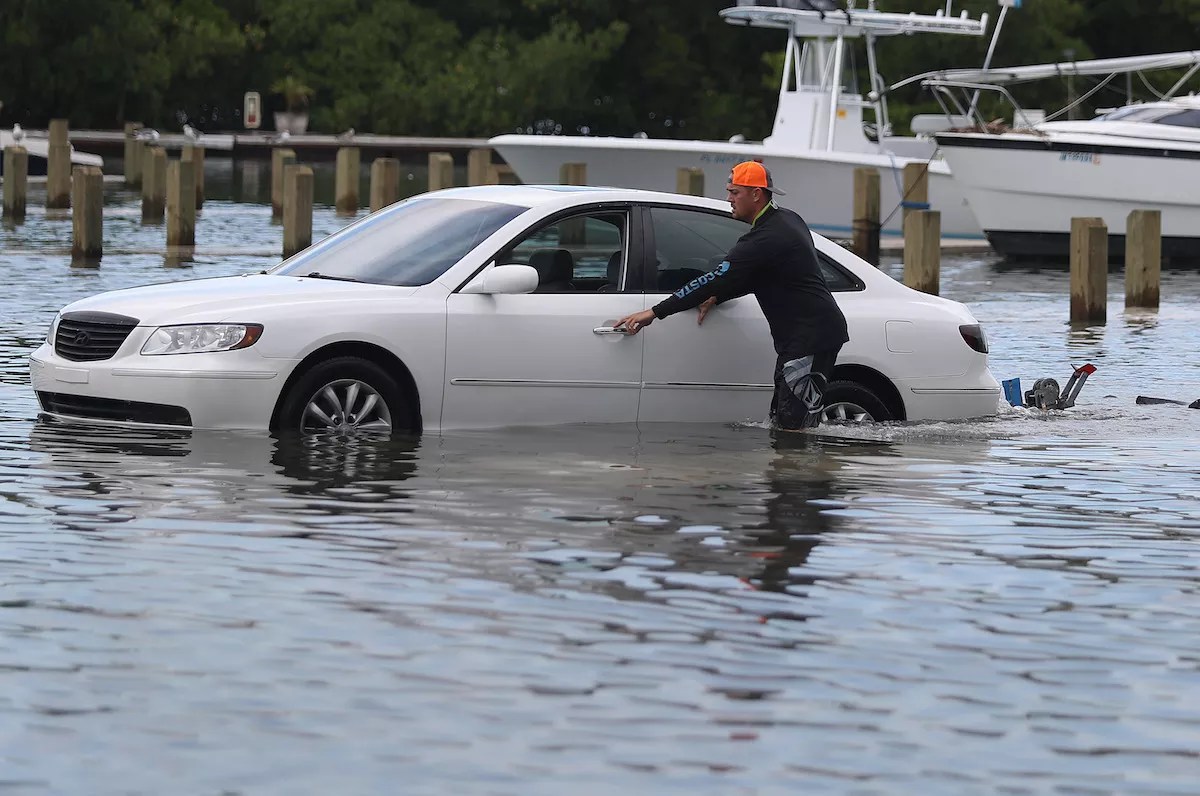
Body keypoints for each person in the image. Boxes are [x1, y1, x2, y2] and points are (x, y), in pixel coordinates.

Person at [615, 160, 849, 430]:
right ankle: (801, 470)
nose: (728, 199)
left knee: (791, 427)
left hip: (811, 338)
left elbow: (711, 279)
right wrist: (719, 297)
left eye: (734, 192)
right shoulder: (787, 220)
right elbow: (763, 275)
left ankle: (808, 472)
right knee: (786, 421)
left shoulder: (764, 239)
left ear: (756, 194)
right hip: (808, 336)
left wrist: (654, 312)